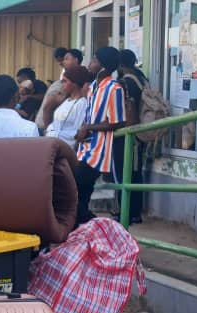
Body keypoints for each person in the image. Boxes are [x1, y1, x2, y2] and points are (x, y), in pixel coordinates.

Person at [74, 47, 127, 227]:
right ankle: (89, 229)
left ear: (103, 66)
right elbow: (90, 116)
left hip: (98, 152)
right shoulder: (93, 87)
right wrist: (83, 130)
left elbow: (118, 121)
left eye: (94, 60)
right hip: (85, 148)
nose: (90, 63)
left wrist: (88, 127)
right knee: (80, 196)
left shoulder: (114, 88)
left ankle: (99, 226)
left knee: (72, 190)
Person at [114, 49, 147, 224]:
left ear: (120, 65)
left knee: (124, 173)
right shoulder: (141, 78)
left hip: (127, 133)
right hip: (138, 132)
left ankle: (126, 212)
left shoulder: (125, 83)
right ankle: (135, 212)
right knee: (135, 172)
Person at [45, 65, 92, 149]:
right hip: (53, 145)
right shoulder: (66, 101)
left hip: (66, 149)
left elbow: (78, 133)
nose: (62, 84)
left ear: (75, 83)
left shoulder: (81, 104)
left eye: (65, 81)